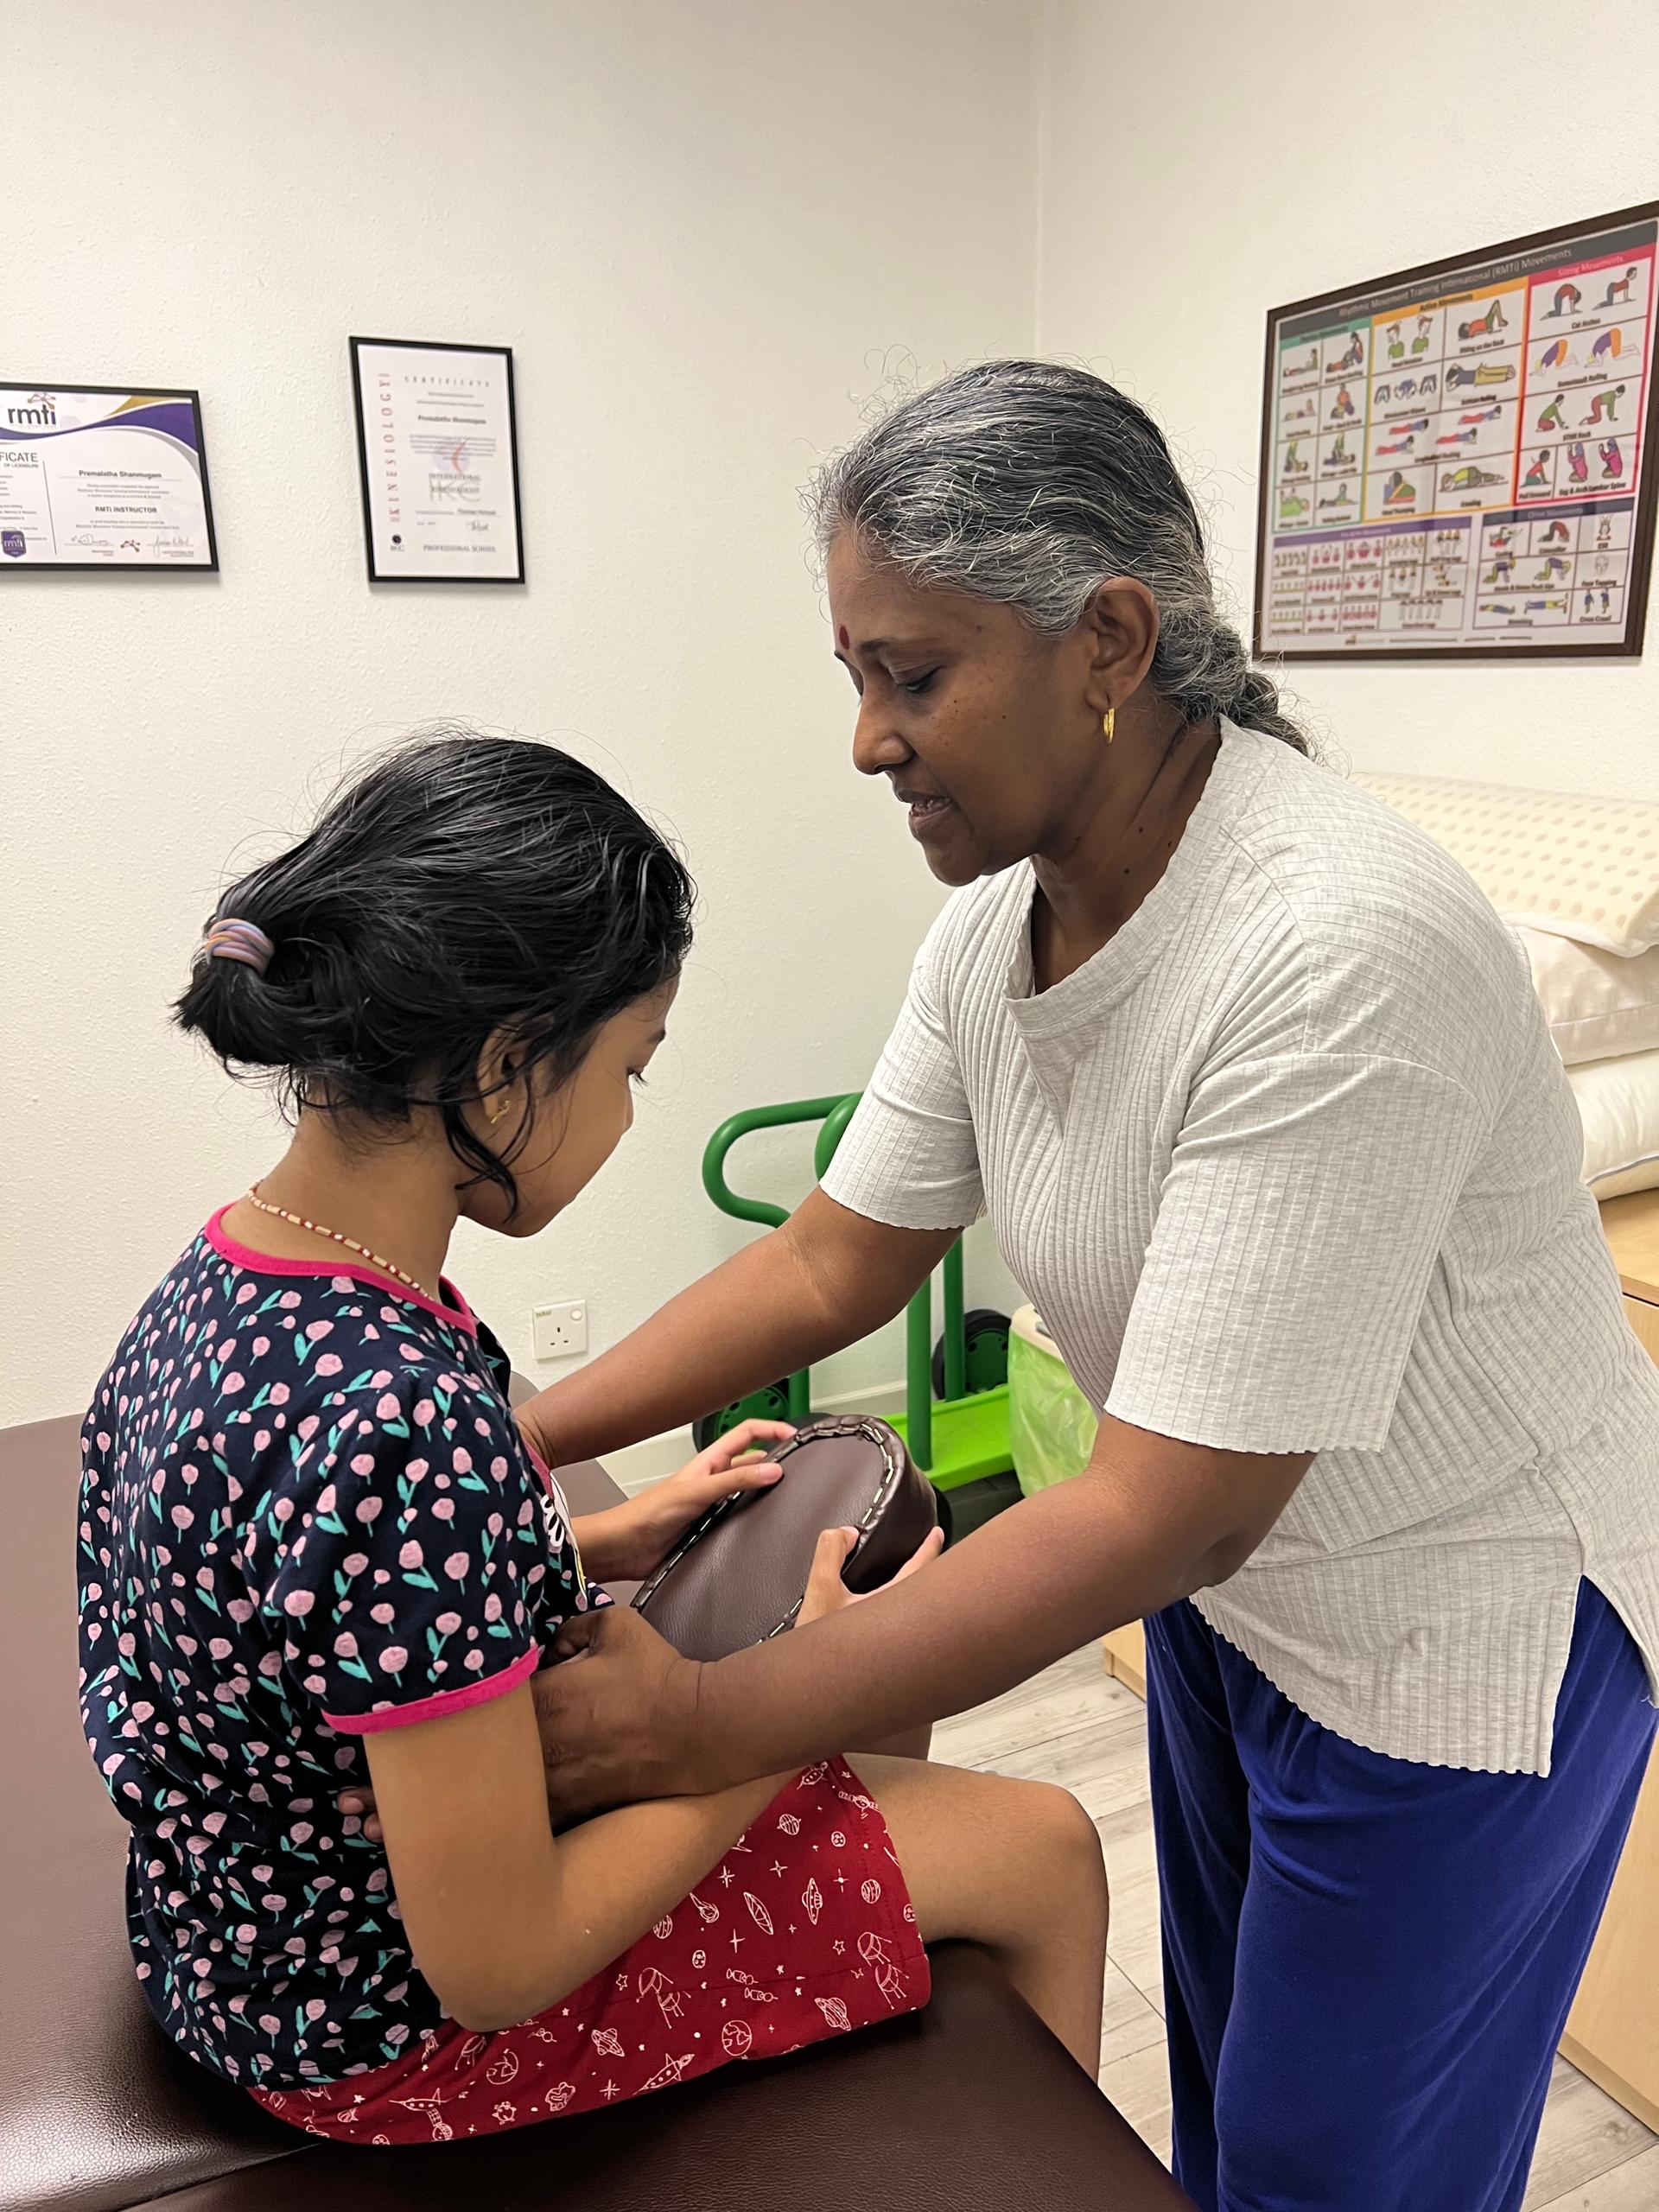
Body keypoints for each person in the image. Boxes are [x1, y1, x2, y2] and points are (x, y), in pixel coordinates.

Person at [516, 363, 1659, 2212]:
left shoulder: (1331, 950)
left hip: (1468, 1628)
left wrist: (709, 1718)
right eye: (855, 674)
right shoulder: (1000, 922)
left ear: (1108, 639)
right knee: (1230, 2105)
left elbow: (1156, 1511)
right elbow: (832, 1255)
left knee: (1337, 2175)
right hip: (1252, 1598)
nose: (869, 741)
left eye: (913, 672)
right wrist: (506, 1431)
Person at [78, 733, 1108, 2145]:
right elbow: (498, 1965)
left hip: (229, 1950)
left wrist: (572, 1537)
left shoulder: (228, 1279)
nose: (628, 1112)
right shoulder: (403, 1418)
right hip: (388, 2038)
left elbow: (302, 1595)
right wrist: (774, 1713)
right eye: (631, 1067)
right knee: (1043, 1846)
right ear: (505, 1069)